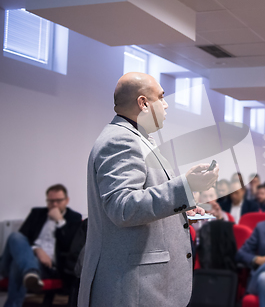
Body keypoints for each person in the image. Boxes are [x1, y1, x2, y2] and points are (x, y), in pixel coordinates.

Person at [79, 72, 218, 307]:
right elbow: (123, 207)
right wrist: (186, 186)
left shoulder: (138, 138)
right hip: (132, 286)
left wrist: (180, 213)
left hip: (141, 284)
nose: (166, 105)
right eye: (161, 98)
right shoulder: (121, 140)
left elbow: (144, 200)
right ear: (143, 103)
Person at [0, 184, 82, 307]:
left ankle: (29, 275)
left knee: (17, 265)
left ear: (67, 200)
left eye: (58, 201)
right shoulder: (37, 213)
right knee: (15, 237)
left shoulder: (74, 218)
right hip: (29, 258)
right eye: (51, 201)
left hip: (49, 267)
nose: (54, 204)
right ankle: (30, 271)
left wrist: (60, 221)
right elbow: (22, 240)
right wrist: (37, 249)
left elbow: (70, 247)